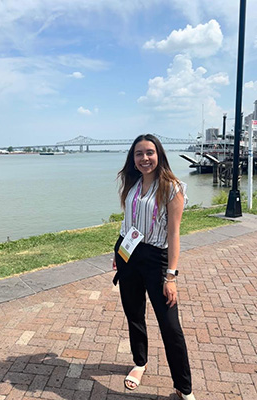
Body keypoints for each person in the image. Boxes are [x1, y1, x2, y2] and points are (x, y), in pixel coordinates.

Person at [112, 134, 196, 400]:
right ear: (133, 158)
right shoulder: (133, 184)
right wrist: (120, 253)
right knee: (133, 314)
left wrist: (171, 276)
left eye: (149, 152)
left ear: (159, 155)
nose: (144, 158)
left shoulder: (172, 187)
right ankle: (140, 362)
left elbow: (173, 234)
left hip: (157, 260)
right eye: (139, 153)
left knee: (170, 326)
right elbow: (128, 224)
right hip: (129, 254)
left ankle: (184, 387)